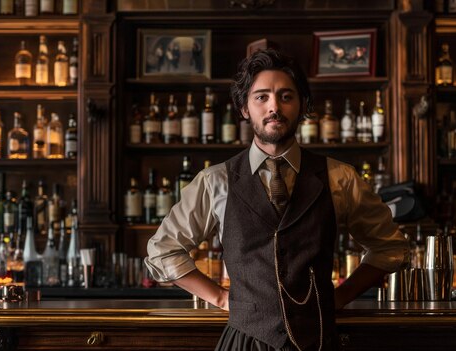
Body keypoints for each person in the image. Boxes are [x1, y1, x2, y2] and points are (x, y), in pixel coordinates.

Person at [145, 49, 409, 351]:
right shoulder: (215, 181)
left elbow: (390, 247)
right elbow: (163, 251)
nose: (274, 107)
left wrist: (339, 296)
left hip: (319, 341)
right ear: (244, 108)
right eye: (261, 97)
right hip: (244, 341)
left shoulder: (340, 178)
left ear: (303, 105)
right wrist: (218, 297)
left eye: (286, 96)